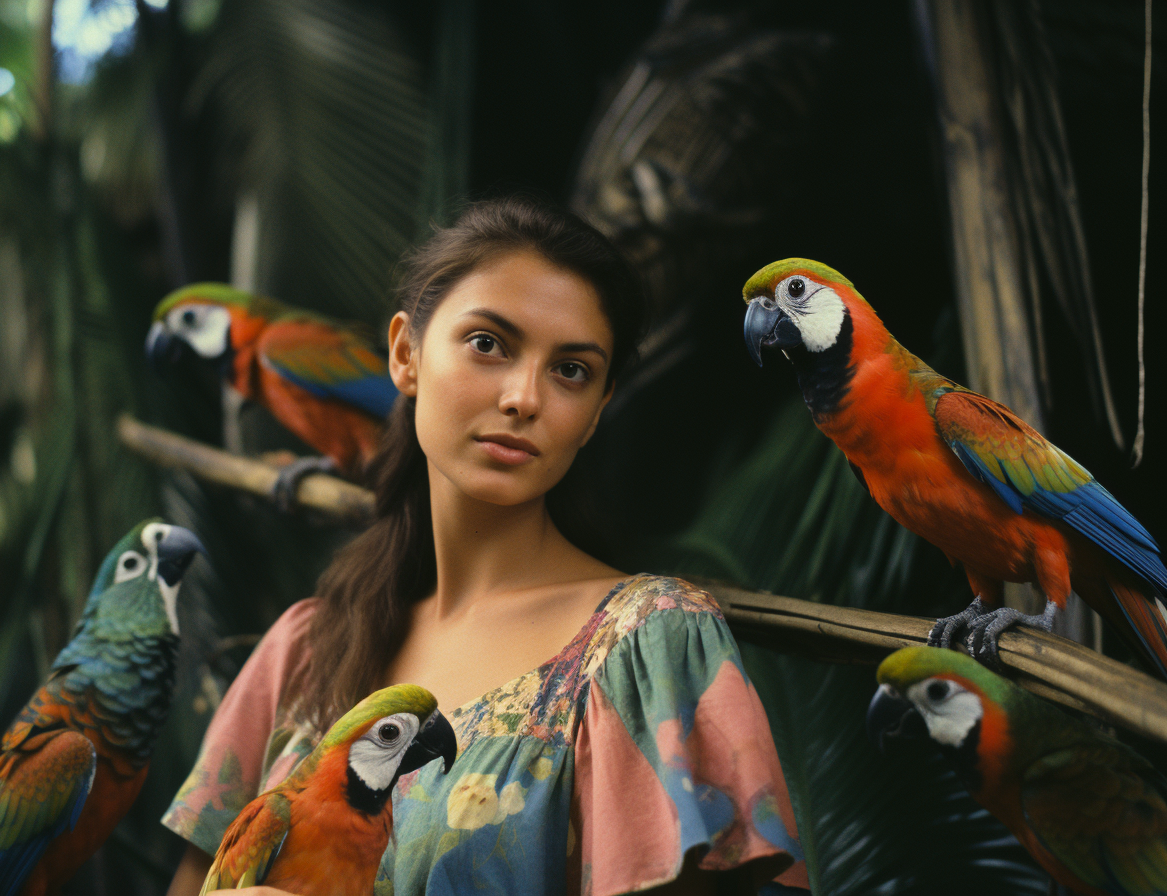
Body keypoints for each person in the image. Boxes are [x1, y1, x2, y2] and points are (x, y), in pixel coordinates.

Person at [162, 196, 806, 895]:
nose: (523, 397)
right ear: (405, 355)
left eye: (571, 371)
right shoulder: (301, 653)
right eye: (488, 344)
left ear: (596, 413)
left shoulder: (647, 644)